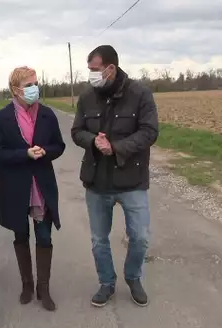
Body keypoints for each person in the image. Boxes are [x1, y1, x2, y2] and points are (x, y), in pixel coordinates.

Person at [71, 45, 159, 308]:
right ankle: (106, 282)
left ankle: (133, 278)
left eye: (95, 70)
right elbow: (77, 131)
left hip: (131, 180)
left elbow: (149, 131)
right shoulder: (87, 97)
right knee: (99, 239)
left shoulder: (140, 94)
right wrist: (93, 141)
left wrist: (116, 147)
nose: (91, 75)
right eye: (89, 70)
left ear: (111, 68)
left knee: (140, 236)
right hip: (97, 182)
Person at [0, 66, 66, 311]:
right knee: (20, 235)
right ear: (15, 90)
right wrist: (24, 154)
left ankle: (44, 288)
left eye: (36, 83)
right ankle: (27, 284)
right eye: (29, 84)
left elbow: (59, 145)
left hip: (41, 186)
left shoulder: (47, 115)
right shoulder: (2, 118)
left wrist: (46, 152)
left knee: (44, 236)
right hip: (15, 187)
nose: (35, 88)